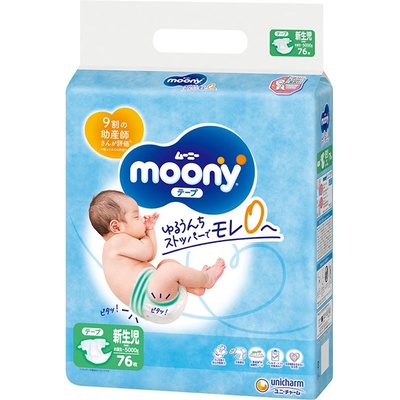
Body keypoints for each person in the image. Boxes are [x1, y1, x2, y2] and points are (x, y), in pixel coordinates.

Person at [89, 190, 226, 324]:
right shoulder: (116, 242)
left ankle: (193, 287)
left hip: (152, 302)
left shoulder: (119, 247)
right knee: (169, 269)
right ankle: (207, 279)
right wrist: (145, 233)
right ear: (116, 227)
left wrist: (150, 230)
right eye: (136, 217)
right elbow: (148, 252)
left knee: (165, 264)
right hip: (150, 298)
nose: (142, 219)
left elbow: (150, 255)